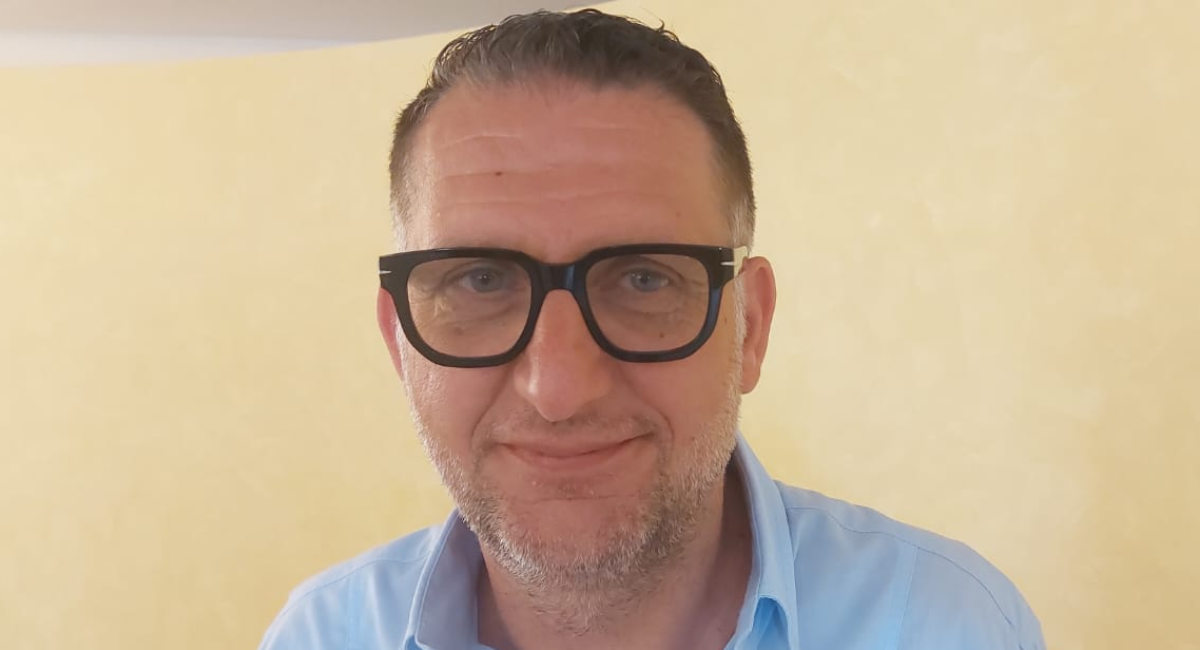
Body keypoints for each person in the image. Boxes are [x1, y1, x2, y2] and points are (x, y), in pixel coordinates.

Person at [259, 9, 1044, 650]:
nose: (559, 389)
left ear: (750, 327)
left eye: (642, 280)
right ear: (400, 344)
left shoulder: (947, 626)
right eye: (481, 282)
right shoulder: (322, 636)